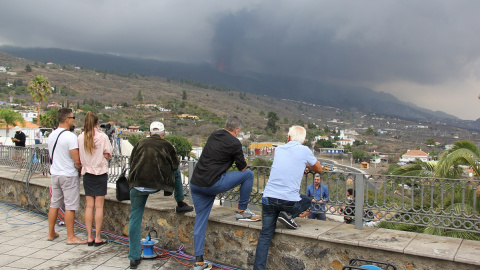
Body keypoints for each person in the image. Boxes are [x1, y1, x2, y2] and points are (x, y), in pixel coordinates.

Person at [190, 116, 260, 270]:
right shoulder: (235, 142)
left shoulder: (214, 134)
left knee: (200, 220)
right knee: (249, 175)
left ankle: (198, 262)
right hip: (212, 183)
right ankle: (242, 211)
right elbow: (242, 168)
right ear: (236, 130)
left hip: (196, 183)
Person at [253, 125, 322, 270]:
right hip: (288, 202)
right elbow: (319, 169)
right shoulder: (304, 150)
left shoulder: (279, 149)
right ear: (303, 141)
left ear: (288, 137)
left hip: (268, 198)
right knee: (307, 200)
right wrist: (308, 168)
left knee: (265, 235)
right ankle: (288, 215)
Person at [127, 121, 182, 269]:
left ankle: (133, 257)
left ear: (150, 133)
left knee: (135, 219)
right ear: (163, 133)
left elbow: (132, 162)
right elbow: (175, 166)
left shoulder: (139, 143)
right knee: (177, 172)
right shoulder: (167, 145)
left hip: (137, 184)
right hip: (157, 185)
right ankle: (181, 201)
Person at [47, 108, 86, 245]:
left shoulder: (52, 135)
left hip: (55, 173)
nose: (73, 120)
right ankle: (71, 236)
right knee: (70, 206)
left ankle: (51, 232)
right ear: (67, 119)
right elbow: (76, 160)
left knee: (55, 204)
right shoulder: (70, 136)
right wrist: (80, 169)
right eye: (73, 117)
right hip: (68, 175)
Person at [78, 112, 113, 247]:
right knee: (99, 207)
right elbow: (108, 153)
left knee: (89, 206)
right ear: (97, 123)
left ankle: (89, 236)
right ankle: (98, 237)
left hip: (87, 173)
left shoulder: (80, 137)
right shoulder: (102, 137)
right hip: (100, 173)